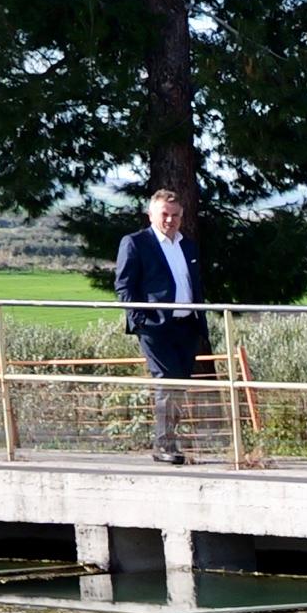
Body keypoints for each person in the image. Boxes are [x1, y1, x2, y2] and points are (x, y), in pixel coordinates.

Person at [113, 184, 219, 463]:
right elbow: (124, 287)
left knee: (178, 384)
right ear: (151, 215)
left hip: (187, 327)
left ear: (181, 217)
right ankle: (164, 446)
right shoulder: (136, 243)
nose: (170, 219)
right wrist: (140, 322)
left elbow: (193, 285)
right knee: (167, 381)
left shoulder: (187, 245)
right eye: (164, 214)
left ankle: (171, 441)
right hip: (155, 327)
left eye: (175, 215)